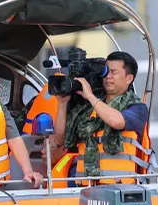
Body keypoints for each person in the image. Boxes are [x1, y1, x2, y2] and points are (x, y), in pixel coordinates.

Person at [52, 51, 151, 185]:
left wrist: (90, 96)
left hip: (121, 190)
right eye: (105, 72)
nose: (108, 76)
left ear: (129, 78)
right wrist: (62, 104)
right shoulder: (87, 108)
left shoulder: (137, 107)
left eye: (113, 72)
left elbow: (116, 121)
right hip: (85, 190)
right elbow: (59, 139)